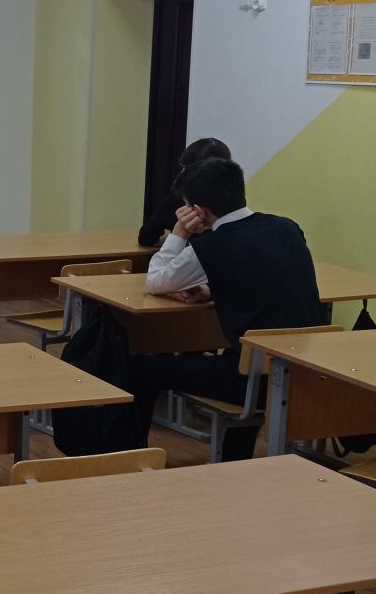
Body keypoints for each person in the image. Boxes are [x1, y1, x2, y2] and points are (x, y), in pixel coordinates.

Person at [129, 157, 322, 460]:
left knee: (140, 370)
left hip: (249, 380)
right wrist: (210, 290)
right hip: (305, 370)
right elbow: (264, 277)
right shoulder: (286, 228)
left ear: (198, 211)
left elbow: (155, 281)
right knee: (246, 360)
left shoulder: (211, 245)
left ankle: (133, 456)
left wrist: (179, 233)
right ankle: (235, 460)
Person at [138, 137, 231, 246]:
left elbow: (146, 237)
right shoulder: (234, 199)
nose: (182, 173)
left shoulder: (179, 199)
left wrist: (176, 236)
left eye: (185, 168)